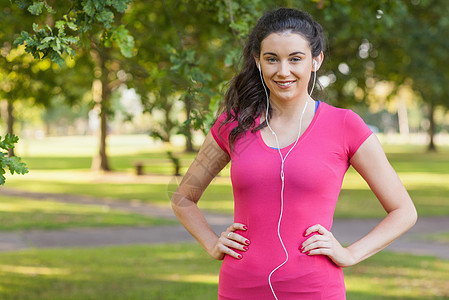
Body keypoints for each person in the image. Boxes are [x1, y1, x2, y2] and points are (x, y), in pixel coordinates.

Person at [171, 7, 417, 300]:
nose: (283, 71)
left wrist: (350, 254)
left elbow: (404, 211)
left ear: (316, 60)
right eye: (271, 59)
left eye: (295, 59)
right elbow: (183, 198)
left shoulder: (345, 125)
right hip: (239, 289)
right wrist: (212, 243)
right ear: (257, 61)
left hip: (316, 290)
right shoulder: (232, 124)